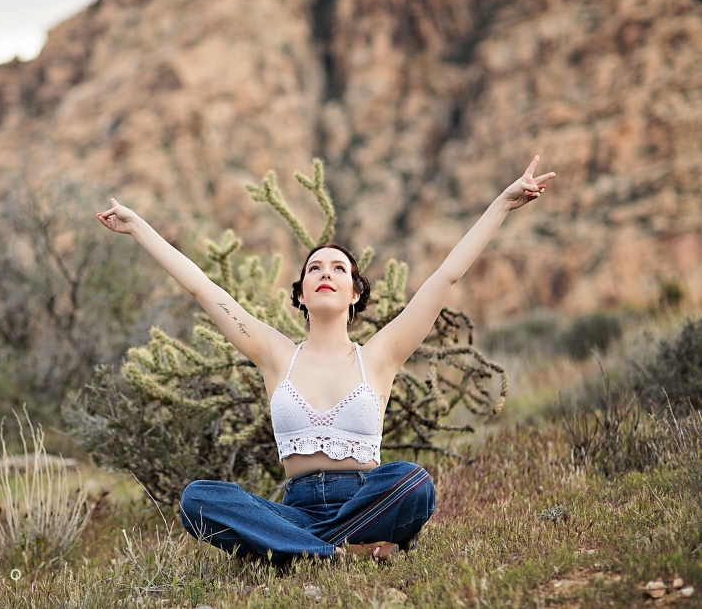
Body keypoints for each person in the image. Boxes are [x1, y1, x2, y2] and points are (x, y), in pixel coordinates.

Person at [96, 155, 555, 563]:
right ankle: (336, 549)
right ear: (300, 295)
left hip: (366, 501)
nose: (325, 273)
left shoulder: (380, 356)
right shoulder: (275, 355)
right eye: (314, 268)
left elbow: (447, 277)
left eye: (339, 269)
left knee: (413, 481)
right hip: (293, 508)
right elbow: (203, 288)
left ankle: (300, 547)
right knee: (199, 499)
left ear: (356, 293)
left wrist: (502, 204)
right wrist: (137, 226)